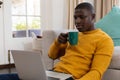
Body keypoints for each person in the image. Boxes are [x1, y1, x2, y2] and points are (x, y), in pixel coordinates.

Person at [48, 2, 114, 80]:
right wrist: (58, 42)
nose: (77, 21)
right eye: (75, 18)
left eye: (82, 17)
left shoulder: (104, 40)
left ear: (93, 17)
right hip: (55, 74)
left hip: (72, 78)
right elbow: (52, 55)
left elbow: (97, 72)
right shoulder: (74, 36)